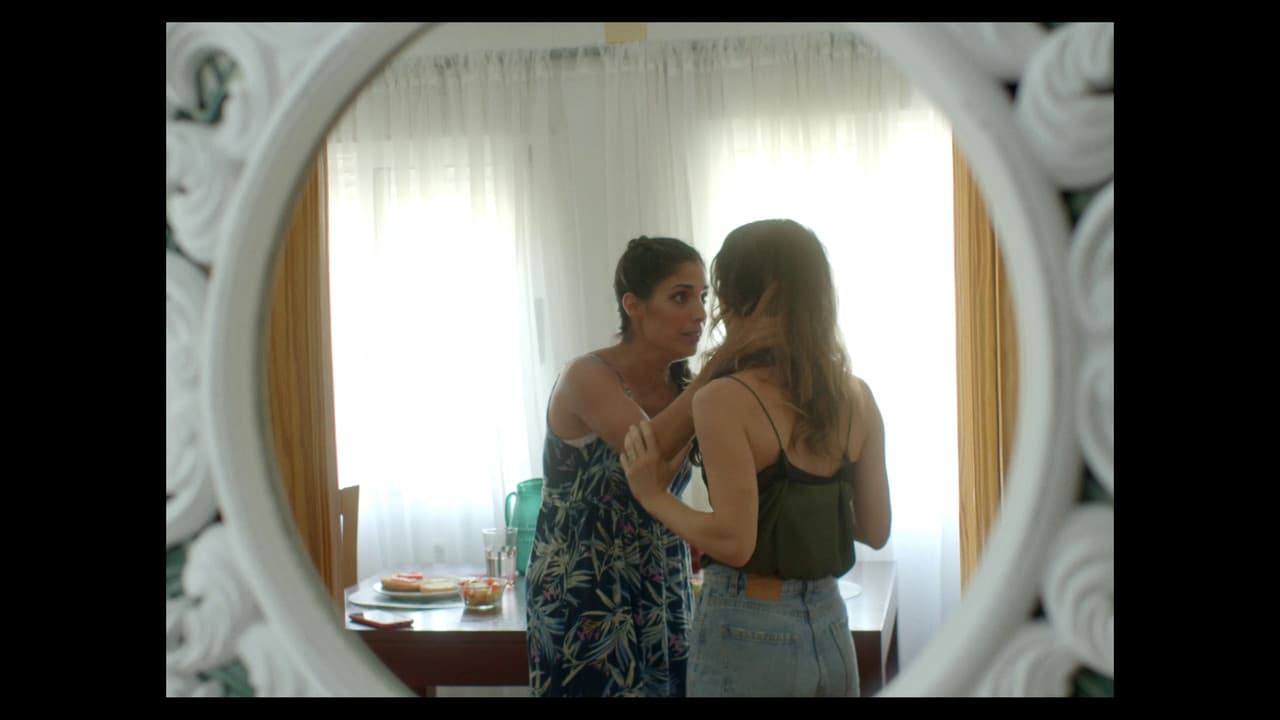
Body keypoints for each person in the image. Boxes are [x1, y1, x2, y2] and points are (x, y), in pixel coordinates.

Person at [620, 218, 892, 697]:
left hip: (748, 629)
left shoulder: (725, 398)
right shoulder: (857, 396)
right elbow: (875, 529)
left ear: (736, 297)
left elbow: (734, 542)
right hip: (832, 627)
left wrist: (652, 496)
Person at [525, 235, 742, 697]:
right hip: (585, 589)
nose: (700, 313)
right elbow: (651, 461)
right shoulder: (586, 376)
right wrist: (716, 371)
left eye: (703, 297)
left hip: (664, 579)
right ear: (633, 306)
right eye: (680, 297)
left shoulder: (684, 387)